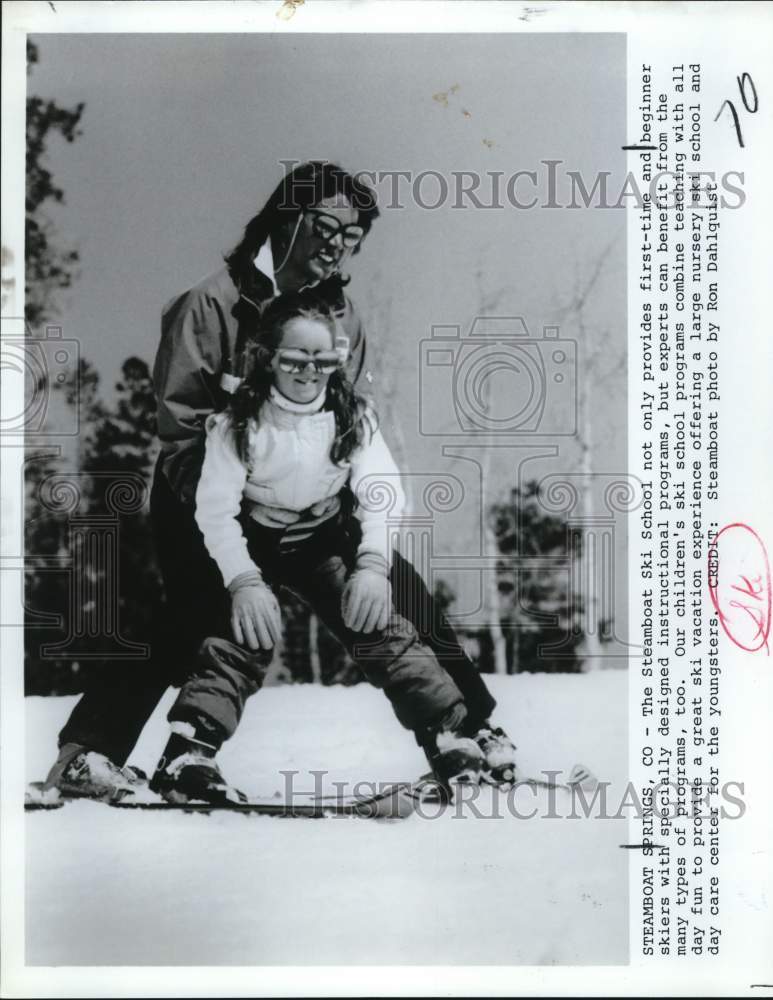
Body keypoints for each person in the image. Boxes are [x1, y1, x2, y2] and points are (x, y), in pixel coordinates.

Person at [44, 161, 516, 801]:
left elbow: (351, 427)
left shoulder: (342, 316)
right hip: (207, 496)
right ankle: (92, 755)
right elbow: (182, 433)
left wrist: (338, 525)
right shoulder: (210, 304)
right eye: (325, 225)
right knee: (197, 615)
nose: (336, 244)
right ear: (284, 217)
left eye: (352, 236)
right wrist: (241, 545)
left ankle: (469, 732)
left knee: (391, 591)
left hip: (313, 506)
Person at [149, 291, 486, 802]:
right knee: (243, 637)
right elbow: (214, 510)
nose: (310, 371)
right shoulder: (238, 424)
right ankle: (189, 751)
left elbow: (383, 494)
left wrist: (372, 566)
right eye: (295, 359)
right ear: (268, 359)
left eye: (324, 360)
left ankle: (451, 733)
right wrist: (243, 581)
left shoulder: (353, 417)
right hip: (253, 540)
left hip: (321, 540)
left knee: (379, 624)